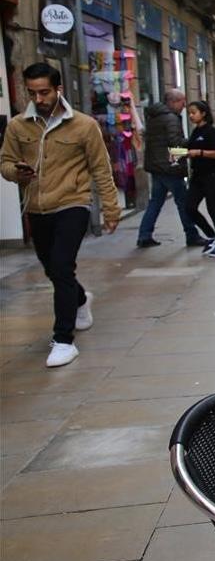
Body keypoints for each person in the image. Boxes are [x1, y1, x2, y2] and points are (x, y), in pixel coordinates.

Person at [0, 63, 120, 367]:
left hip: (73, 203)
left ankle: (63, 340)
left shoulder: (83, 125)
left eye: (44, 92)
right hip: (37, 207)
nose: (38, 98)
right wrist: (17, 172)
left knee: (62, 265)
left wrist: (110, 208)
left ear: (58, 90)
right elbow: (5, 164)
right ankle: (80, 299)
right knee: (53, 269)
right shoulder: (18, 126)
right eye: (32, 93)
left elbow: (101, 169)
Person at [136, 88, 203, 248]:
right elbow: (175, 143)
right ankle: (192, 235)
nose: (184, 105)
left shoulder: (154, 116)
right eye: (182, 102)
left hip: (157, 166)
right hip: (169, 167)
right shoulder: (171, 118)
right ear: (172, 102)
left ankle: (144, 236)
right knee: (183, 202)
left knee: (156, 202)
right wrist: (193, 142)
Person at [183, 101, 215, 258]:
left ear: (203, 113)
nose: (190, 115)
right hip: (197, 177)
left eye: (193, 112)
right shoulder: (195, 132)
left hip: (212, 177)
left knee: (213, 209)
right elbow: (190, 149)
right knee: (189, 207)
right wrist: (181, 153)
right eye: (189, 112)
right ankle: (211, 235)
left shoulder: (212, 132)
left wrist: (200, 153)